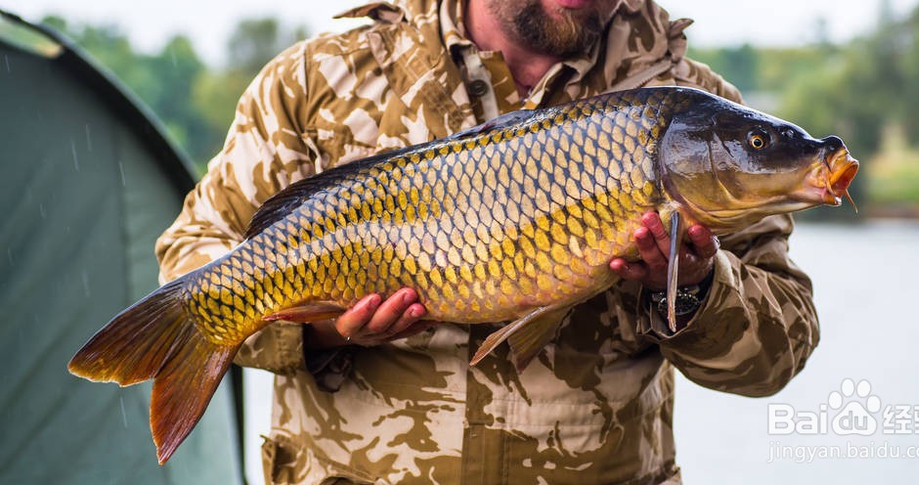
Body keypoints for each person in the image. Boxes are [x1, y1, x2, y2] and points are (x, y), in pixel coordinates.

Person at [156, 0, 820, 483]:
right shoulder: (316, 85)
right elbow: (191, 255)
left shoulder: (699, 113)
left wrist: (695, 287)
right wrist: (319, 328)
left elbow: (780, 349)